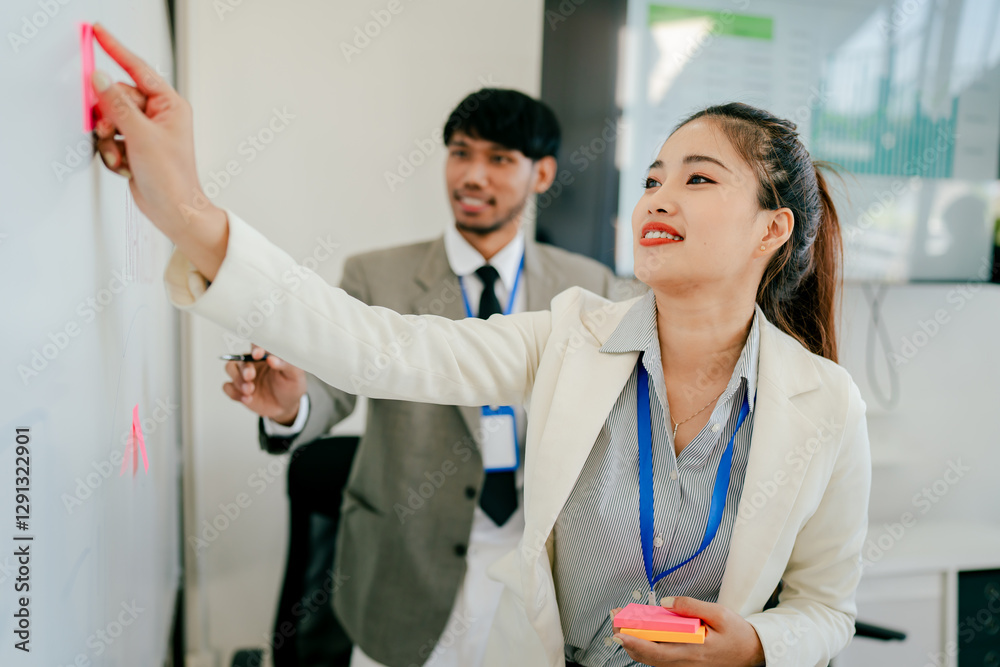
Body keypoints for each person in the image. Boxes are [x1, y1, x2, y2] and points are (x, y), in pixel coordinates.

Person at [89, 23, 871, 667]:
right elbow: (376, 347)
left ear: (773, 228)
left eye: (698, 180)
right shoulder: (573, 331)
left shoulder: (825, 403)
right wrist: (187, 210)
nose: (660, 196)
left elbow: (827, 605)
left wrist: (759, 644)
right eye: (653, 177)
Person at [220, 89, 627, 667]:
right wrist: (293, 406)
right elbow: (331, 390)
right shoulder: (377, 275)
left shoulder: (588, 286)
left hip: (536, 570)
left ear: (542, 174)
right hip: (403, 567)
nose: (472, 175)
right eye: (460, 153)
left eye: (499, 159)